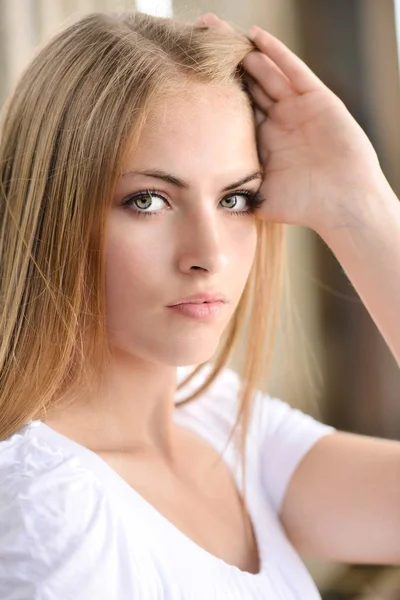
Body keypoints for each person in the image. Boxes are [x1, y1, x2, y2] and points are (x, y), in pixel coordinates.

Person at [0, 9, 399, 599]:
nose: (207, 254)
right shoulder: (50, 510)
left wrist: (360, 205)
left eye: (235, 199)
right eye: (149, 201)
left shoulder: (217, 418)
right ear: (51, 210)